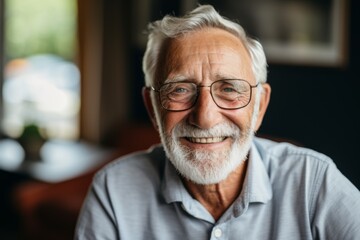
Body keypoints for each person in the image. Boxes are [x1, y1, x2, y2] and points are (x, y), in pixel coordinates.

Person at [75, 4, 360, 239]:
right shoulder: (113, 190)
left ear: (259, 105)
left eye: (229, 89)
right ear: (152, 108)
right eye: (180, 90)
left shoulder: (314, 182)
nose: (205, 118)